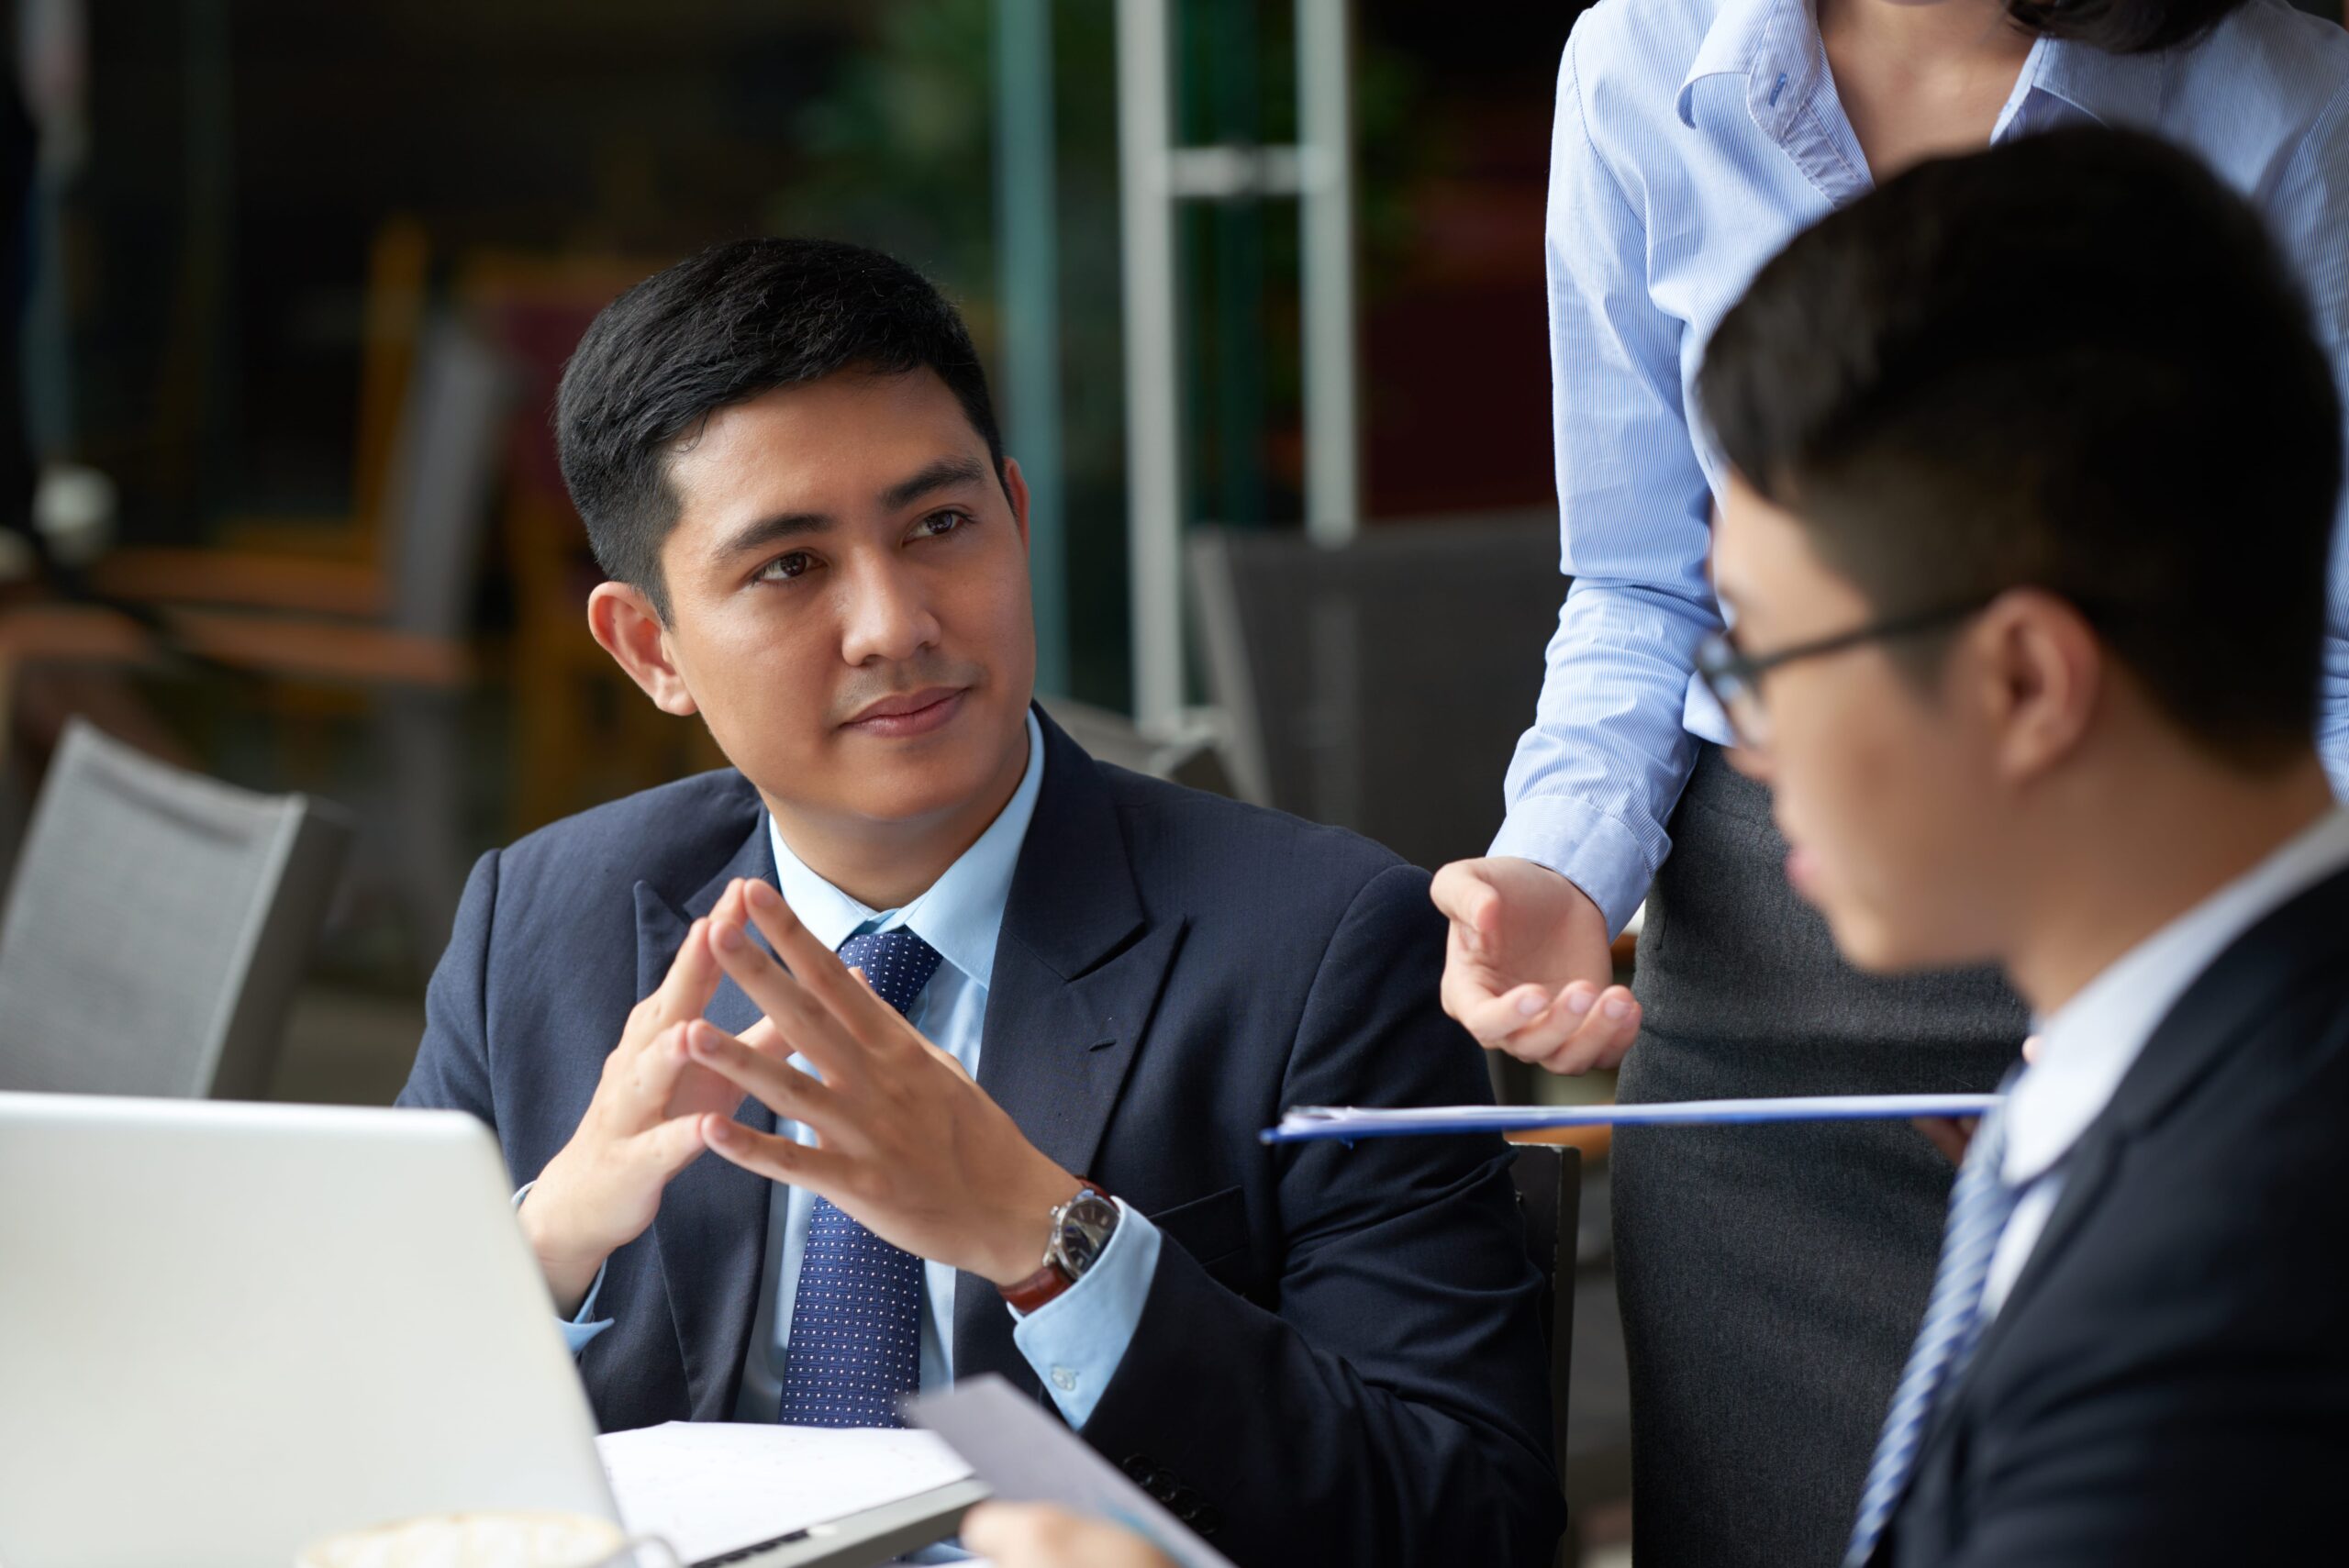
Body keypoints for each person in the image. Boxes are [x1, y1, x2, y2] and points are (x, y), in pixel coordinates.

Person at [963, 121, 2349, 1568]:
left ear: (2024, 680)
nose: (1741, 744)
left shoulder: (2223, 1265)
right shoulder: (2181, 1083)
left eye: (1767, 656)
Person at [395, 238, 1563, 1568]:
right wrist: (547, 1239)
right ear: (651, 647)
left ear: (1013, 512)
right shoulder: (545, 920)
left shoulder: (1322, 943)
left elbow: (1469, 1522)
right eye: (789, 567)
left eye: (939, 525)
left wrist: (1045, 1237)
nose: (894, 621)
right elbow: (337, 1448)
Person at [1432, 0, 2349, 1561]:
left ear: (2023, 671)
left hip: (2162, 921)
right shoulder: (1644, 62)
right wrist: (1571, 858)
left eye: (1773, 655)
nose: (1753, 712)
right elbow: (1651, 589)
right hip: (1788, 985)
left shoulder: (2287, 98)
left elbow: (2315, 640)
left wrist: (2171, 979)